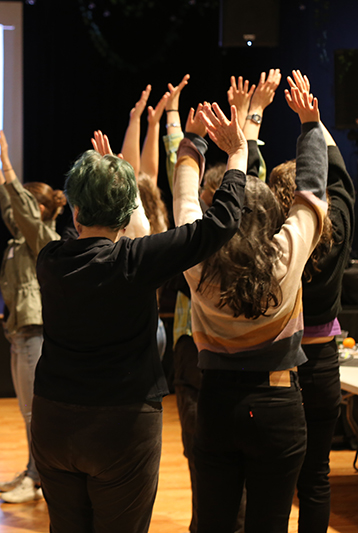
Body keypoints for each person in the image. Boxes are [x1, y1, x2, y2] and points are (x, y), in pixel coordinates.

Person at [31, 101, 246, 532]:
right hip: (122, 428)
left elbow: (94, 235)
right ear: (128, 208)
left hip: (53, 422)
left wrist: (107, 179)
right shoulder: (137, 261)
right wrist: (235, 157)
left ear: (74, 210)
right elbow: (218, 225)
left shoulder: (50, 259)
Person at [173, 72, 328, 533]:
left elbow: (185, 196)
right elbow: (313, 193)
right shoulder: (285, 256)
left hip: (216, 405)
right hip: (278, 407)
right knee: (270, 525)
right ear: (272, 220)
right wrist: (311, 127)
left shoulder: (199, 262)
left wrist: (194, 143)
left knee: (216, 523)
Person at [267, 71, 355, 533]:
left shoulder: (273, 245)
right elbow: (341, 186)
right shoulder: (335, 226)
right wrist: (312, 125)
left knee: (276, 481)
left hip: (280, 372)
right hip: (323, 368)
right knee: (316, 478)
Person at [0, 130, 66, 503]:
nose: (14, 213)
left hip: (36, 333)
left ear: (36, 211)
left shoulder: (44, 238)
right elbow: (12, 209)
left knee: (35, 414)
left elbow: (18, 209)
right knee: (27, 412)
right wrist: (0, 179)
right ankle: (32, 472)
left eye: (23, 207)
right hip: (20, 333)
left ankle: (39, 479)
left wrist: (8, 167)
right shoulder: (21, 239)